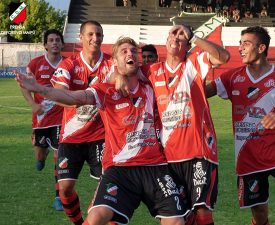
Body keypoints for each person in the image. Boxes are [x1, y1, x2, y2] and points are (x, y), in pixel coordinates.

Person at [15, 36, 189, 225]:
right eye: (124, 51)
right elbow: (73, 97)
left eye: (133, 51)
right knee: (97, 217)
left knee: (177, 222)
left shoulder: (152, 84)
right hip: (120, 168)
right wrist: (40, 89)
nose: (130, 53)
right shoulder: (105, 90)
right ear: (114, 62)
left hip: (155, 166)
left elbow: (174, 70)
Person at [115, 25, 230, 225]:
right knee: (183, 216)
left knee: (202, 212)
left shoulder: (193, 63)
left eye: (181, 37)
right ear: (165, 41)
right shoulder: (152, 70)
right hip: (168, 156)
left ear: (187, 45)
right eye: (172, 34)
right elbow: (125, 68)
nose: (176, 38)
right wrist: (118, 76)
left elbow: (223, 57)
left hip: (198, 151)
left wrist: (193, 36)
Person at [205, 26, 275, 225]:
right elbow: (203, 92)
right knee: (259, 213)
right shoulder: (232, 77)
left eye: (246, 44)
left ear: (261, 48)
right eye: (240, 44)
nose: (240, 48)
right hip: (247, 157)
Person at [50, 20, 113, 225]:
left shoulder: (111, 65)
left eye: (99, 35)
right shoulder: (69, 64)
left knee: (109, 185)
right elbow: (58, 94)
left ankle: (95, 219)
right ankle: (78, 222)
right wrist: (84, 97)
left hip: (101, 136)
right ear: (81, 37)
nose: (96, 38)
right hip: (71, 136)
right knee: (65, 187)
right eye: (91, 34)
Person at [19, 29, 65, 211]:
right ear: (45, 44)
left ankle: (58, 198)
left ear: (62, 44)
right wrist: (32, 104)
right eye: (51, 40)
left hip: (62, 119)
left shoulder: (68, 64)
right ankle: (41, 154)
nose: (54, 43)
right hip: (40, 119)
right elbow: (24, 86)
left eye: (57, 40)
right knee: (39, 156)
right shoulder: (35, 64)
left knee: (59, 157)